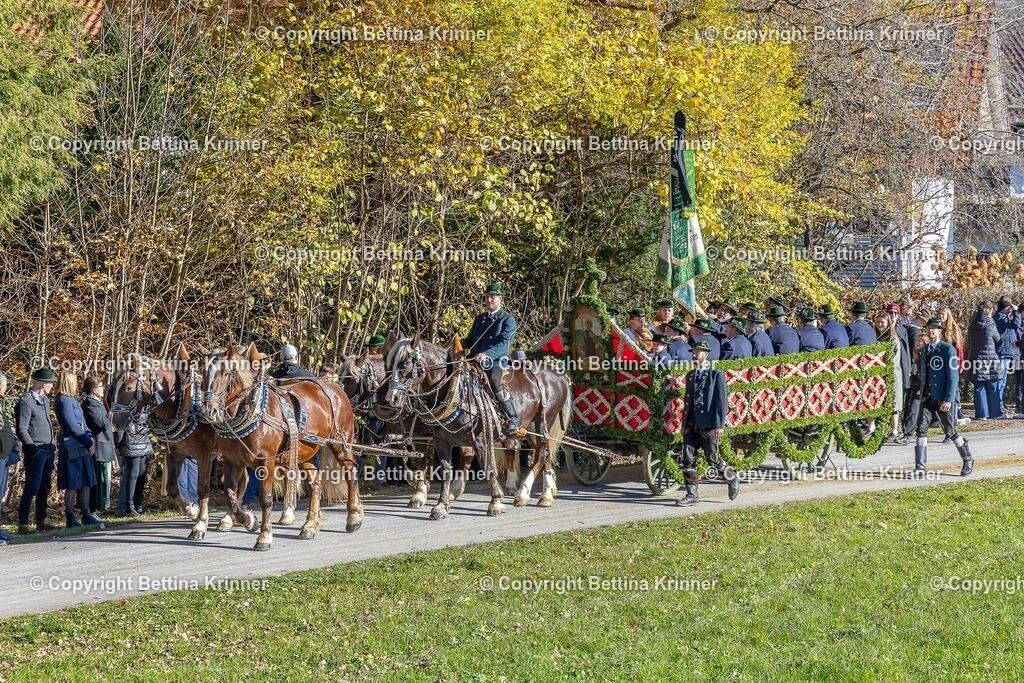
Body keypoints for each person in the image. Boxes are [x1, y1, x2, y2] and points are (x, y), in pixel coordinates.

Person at [676, 340, 738, 506]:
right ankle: (692, 495)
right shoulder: (690, 375)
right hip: (691, 423)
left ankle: (731, 477)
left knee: (713, 459)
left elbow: (721, 401)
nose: (695, 355)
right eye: (694, 352)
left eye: (699, 352)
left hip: (709, 424)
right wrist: (684, 424)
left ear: (706, 355)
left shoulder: (715, 375)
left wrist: (719, 425)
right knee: (688, 460)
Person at [910, 318, 973, 478]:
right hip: (926, 397)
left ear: (940, 331)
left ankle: (967, 458)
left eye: (935, 329)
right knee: (921, 429)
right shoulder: (925, 350)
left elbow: (953, 377)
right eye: (929, 328)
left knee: (950, 431)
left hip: (942, 397)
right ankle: (920, 468)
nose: (931, 331)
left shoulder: (947, 349)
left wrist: (949, 400)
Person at [463, 282, 521, 436]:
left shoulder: (508, 319)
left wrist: (487, 354)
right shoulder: (479, 319)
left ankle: (512, 418)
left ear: (500, 299)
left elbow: (504, 344)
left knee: (495, 379)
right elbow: (470, 341)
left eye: (493, 297)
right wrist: (456, 345)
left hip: (496, 360)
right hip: (475, 358)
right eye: (487, 297)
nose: (489, 300)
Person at [54, 372, 102, 528]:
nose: (76, 384)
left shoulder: (72, 399)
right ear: (68, 382)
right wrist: (88, 441)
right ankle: (70, 517)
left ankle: (86, 513)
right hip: (72, 445)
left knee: (85, 481)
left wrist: (90, 437)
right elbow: (71, 425)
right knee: (73, 482)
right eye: (74, 381)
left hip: (82, 442)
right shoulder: (62, 400)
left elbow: (82, 423)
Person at [15, 367, 59, 534]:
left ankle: (41, 520)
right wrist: (32, 450)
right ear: (42, 383)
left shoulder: (45, 400)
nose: (51, 387)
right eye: (50, 384)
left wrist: (52, 444)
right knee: (31, 486)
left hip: (48, 449)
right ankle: (23, 523)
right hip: (36, 451)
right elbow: (22, 429)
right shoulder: (26, 401)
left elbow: (47, 424)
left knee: (45, 486)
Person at [82, 376, 115, 513]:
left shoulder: (97, 402)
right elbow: (102, 423)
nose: (103, 389)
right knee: (98, 477)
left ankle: (101, 506)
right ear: (93, 389)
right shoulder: (90, 403)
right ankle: (94, 507)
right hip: (98, 444)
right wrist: (112, 413)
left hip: (104, 443)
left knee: (103, 477)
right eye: (100, 386)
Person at [874, 313, 908, 445]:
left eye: (882, 322)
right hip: (879, 374)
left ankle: (894, 429)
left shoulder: (893, 339)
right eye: (878, 322)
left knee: (894, 402)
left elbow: (893, 360)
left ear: (888, 323)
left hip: (892, 374)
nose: (880, 324)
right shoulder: (877, 337)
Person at [116, 403, 154, 517]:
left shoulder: (147, 399)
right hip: (131, 436)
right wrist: (119, 441)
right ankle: (129, 505)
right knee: (133, 473)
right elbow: (119, 416)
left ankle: (138, 504)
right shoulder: (126, 396)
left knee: (142, 472)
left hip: (143, 436)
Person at [967, 301, 1003, 419]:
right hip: (990, 359)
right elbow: (998, 340)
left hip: (975, 358)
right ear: (990, 310)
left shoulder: (972, 324)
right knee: (992, 384)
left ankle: (982, 414)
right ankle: (995, 413)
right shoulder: (990, 323)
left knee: (979, 386)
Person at [994, 298, 1022, 418]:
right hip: (1002, 354)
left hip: (1008, 353)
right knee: (1000, 381)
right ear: (1004, 308)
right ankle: (998, 406)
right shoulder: (999, 317)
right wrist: (1017, 312)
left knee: (1003, 381)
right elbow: (1015, 325)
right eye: (1008, 308)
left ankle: (1000, 404)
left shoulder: (1003, 317)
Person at [938, 306, 965, 425]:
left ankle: (957, 410)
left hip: (952, 361)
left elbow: (959, 347)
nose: (941, 316)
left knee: (954, 386)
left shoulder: (954, 328)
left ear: (948, 315)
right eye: (939, 314)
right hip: (940, 363)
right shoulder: (937, 329)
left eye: (943, 314)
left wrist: (960, 363)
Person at [0, 371, 16, 544]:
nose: (5, 388)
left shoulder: (2, 403)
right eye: (4, 384)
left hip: (4, 454)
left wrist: (14, 440)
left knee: (0, 494)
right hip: (0, 453)